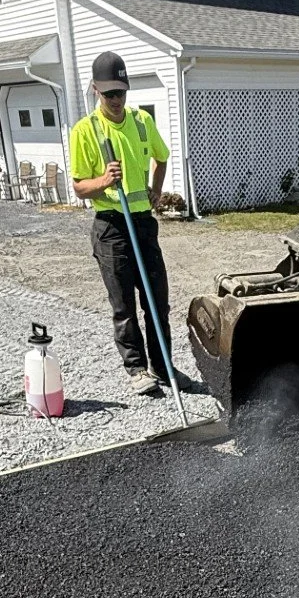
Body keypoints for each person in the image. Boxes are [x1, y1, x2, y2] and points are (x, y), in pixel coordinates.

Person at [69, 50, 205, 398]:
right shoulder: (85, 131)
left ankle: (163, 366)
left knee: (157, 302)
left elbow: (162, 157)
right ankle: (137, 369)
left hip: (142, 222)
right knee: (123, 305)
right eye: (109, 93)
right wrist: (103, 180)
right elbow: (79, 186)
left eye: (120, 92)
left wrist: (156, 190)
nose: (116, 100)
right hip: (111, 225)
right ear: (96, 90)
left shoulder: (142, 121)